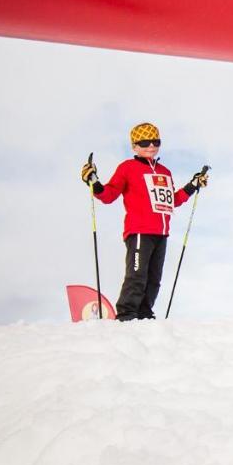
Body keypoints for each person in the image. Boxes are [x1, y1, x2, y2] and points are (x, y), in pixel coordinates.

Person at [79, 122, 209, 321]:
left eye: (156, 141)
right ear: (134, 146)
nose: (151, 146)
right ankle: (127, 313)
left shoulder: (165, 172)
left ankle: (145, 313)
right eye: (145, 142)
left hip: (161, 232)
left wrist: (193, 185)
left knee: (154, 279)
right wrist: (94, 181)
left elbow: (172, 200)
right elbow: (109, 194)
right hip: (139, 230)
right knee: (137, 275)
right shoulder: (127, 168)